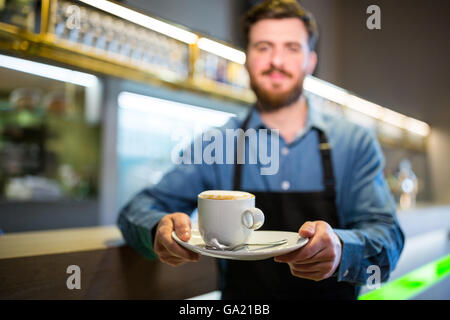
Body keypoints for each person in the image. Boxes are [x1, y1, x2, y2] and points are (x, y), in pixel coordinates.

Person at [117, 0, 405, 299]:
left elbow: (388, 237)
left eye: (291, 48)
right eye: (263, 47)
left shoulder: (354, 143)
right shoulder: (217, 143)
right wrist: (158, 230)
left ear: (310, 61)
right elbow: (137, 210)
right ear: (247, 59)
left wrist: (343, 249)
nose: (276, 60)